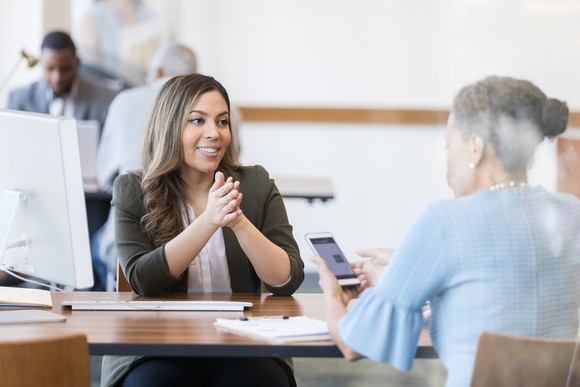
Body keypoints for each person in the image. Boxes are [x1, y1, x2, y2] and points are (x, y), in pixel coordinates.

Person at [311, 75, 580, 387]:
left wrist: (332, 292)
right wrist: (405, 264)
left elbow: (352, 344)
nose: (446, 160)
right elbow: (504, 285)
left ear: (475, 148)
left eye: (449, 145)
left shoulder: (444, 221)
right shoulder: (571, 211)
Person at [100, 73, 304, 387]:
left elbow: (287, 280)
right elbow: (142, 279)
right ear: (169, 127)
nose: (214, 133)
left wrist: (237, 221)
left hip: (241, 340)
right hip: (156, 345)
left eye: (222, 122)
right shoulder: (132, 189)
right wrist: (208, 221)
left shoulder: (256, 184)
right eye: (198, 121)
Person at [7, 30, 118, 130]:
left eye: (65, 69)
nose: (58, 77)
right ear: (41, 64)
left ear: (77, 63)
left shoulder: (107, 98)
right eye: (50, 69)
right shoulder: (19, 100)